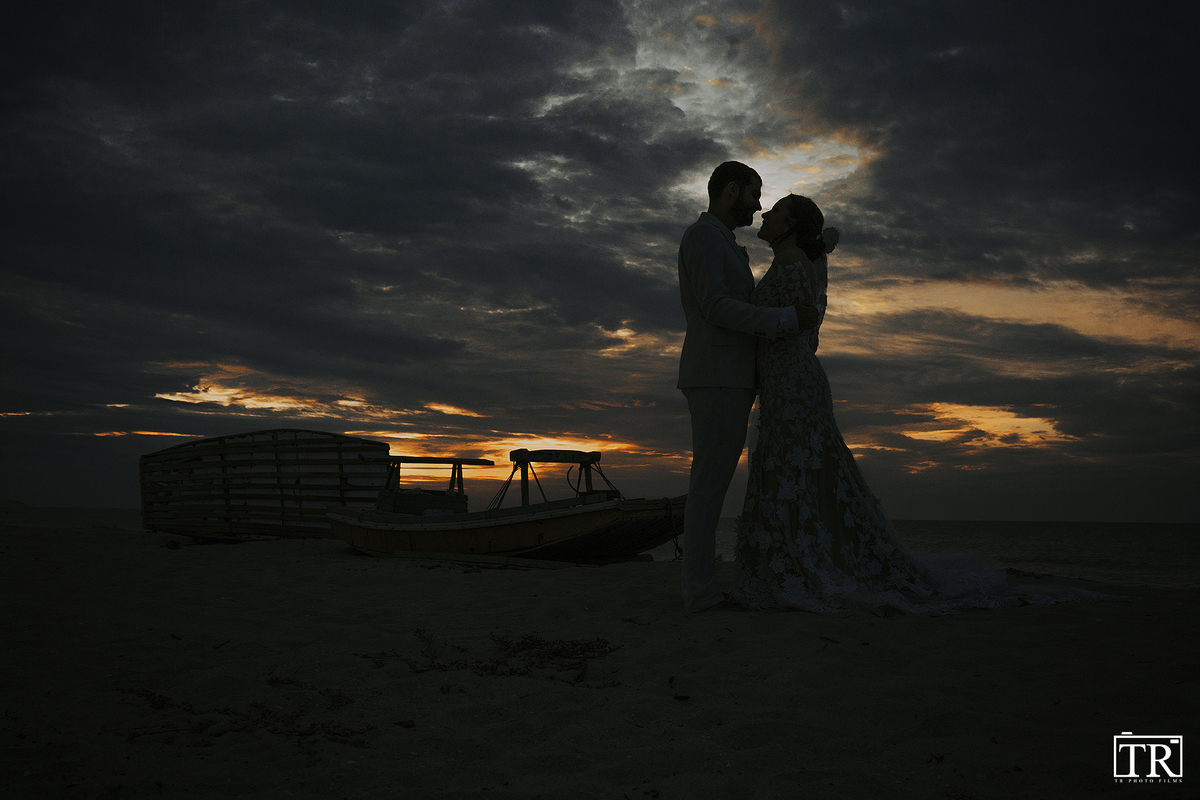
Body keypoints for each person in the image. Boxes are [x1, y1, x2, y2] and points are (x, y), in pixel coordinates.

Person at [732, 195, 1105, 614]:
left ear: (792, 225)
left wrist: (749, 320)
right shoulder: (792, 261)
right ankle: (796, 559)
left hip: (794, 385)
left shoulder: (791, 262)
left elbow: (805, 320)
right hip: (784, 384)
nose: (766, 214)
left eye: (777, 211)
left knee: (797, 472)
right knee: (792, 472)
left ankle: (810, 563)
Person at [676, 162, 818, 612]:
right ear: (731, 190)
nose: (758, 206)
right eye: (754, 194)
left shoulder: (725, 244)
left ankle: (702, 586)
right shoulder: (702, 238)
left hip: (730, 378)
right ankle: (699, 592)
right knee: (709, 486)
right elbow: (716, 306)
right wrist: (783, 320)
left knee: (713, 485)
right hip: (716, 376)